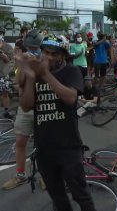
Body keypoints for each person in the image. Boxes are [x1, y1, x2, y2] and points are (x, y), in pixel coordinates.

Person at [17, 34, 96, 211]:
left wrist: (45, 75)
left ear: (62, 54)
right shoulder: (35, 74)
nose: (50, 57)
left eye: (55, 53)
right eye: (46, 52)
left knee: (80, 194)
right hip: (44, 147)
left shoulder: (71, 71)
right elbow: (26, 106)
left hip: (68, 145)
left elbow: (70, 99)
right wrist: (30, 77)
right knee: (57, 196)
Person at [2, 29, 43, 190]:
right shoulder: (23, 59)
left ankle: (46, 175)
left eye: (36, 47)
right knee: (20, 142)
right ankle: (20, 175)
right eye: (30, 47)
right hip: (25, 107)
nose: (33, 50)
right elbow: (19, 82)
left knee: (44, 144)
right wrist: (23, 65)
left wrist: (38, 63)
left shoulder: (46, 58)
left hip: (43, 106)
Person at [0, 26, 14, 119]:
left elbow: (8, 60)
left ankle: (6, 111)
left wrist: (1, 53)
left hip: (3, 73)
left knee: (5, 93)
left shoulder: (8, 47)